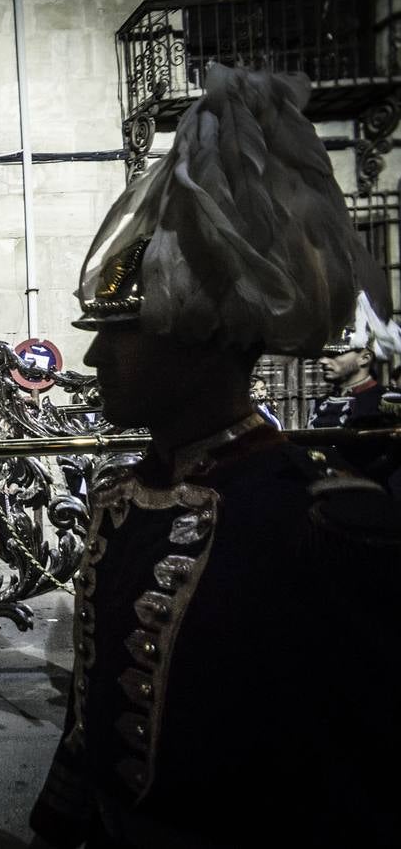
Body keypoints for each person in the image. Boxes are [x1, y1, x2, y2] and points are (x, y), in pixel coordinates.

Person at [29, 65, 400, 848]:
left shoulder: (319, 521)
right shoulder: (122, 498)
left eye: (121, 334)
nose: (93, 359)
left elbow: (362, 775)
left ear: (200, 339)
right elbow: (92, 720)